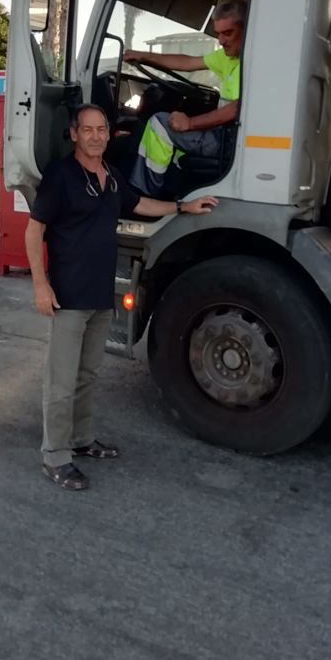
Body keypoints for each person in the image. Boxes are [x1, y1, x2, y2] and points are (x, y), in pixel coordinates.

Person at [24, 104, 218, 491]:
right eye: (88, 130)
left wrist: (183, 206)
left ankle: (81, 441)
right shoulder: (60, 177)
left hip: (99, 295)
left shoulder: (110, 176)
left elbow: (141, 204)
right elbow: (34, 231)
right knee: (60, 382)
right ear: (74, 134)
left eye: (102, 129)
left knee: (87, 375)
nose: (96, 136)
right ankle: (55, 456)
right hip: (67, 297)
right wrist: (40, 285)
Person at [124, 0, 246, 197]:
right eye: (218, 34)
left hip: (228, 140)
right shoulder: (228, 57)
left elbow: (235, 109)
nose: (221, 41)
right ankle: (176, 189)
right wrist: (145, 56)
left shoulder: (250, 62)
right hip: (222, 135)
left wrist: (190, 122)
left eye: (228, 33)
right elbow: (188, 62)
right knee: (176, 133)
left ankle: (145, 194)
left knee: (160, 123)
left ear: (246, 30)